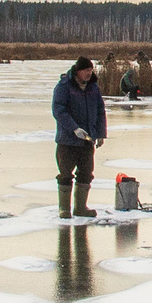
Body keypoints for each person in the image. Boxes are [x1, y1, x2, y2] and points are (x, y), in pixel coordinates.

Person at [51, 57, 106, 219]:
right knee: (66, 173)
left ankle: (81, 208)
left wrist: (101, 133)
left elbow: (100, 111)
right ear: (78, 71)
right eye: (86, 70)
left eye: (91, 70)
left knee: (86, 173)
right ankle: (64, 209)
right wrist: (74, 129)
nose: (89, 73)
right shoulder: (64, 87)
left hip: (88, 140)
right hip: (67, 140)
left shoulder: (93, 88)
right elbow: (58, 111)